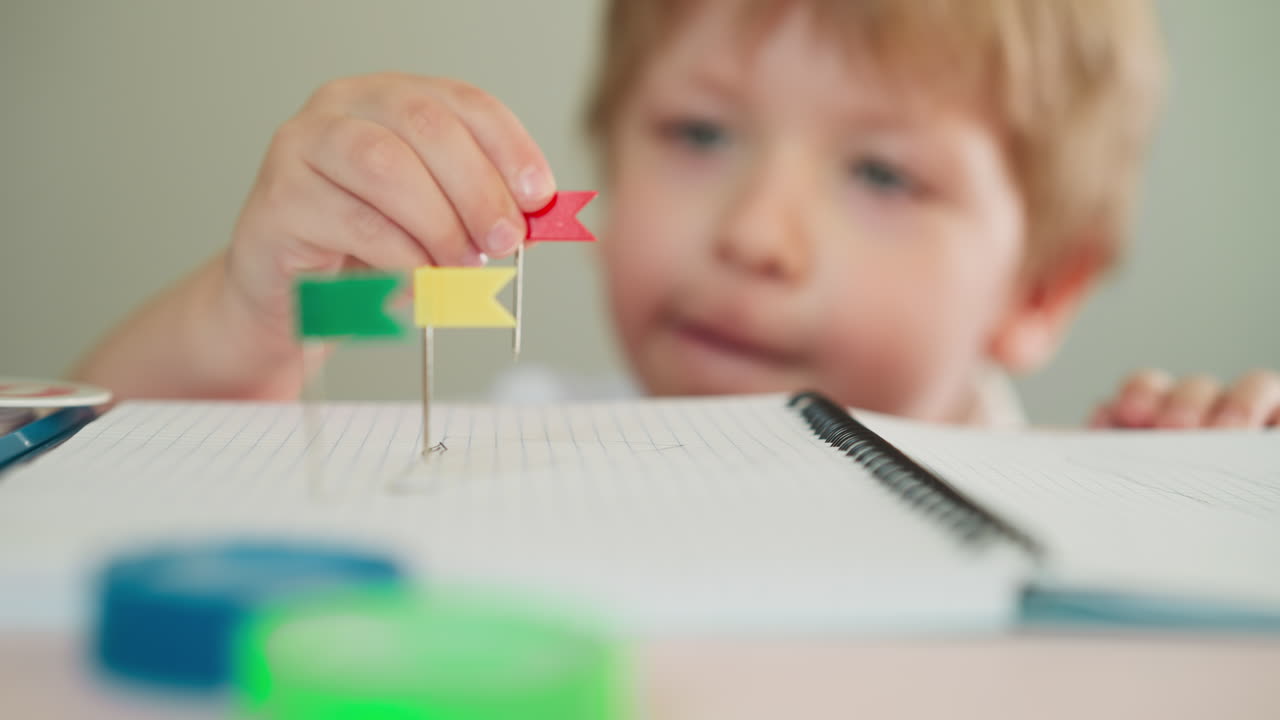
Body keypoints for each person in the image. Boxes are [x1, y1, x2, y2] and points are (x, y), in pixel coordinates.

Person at [72, 0, 1280, 429]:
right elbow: (90, 495)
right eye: (698, 134)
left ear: (1040, 290)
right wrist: (259, 321)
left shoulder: (1079, 497)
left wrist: (1197, 503)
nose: (753, 235)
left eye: (880, 175)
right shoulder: (529, 444)